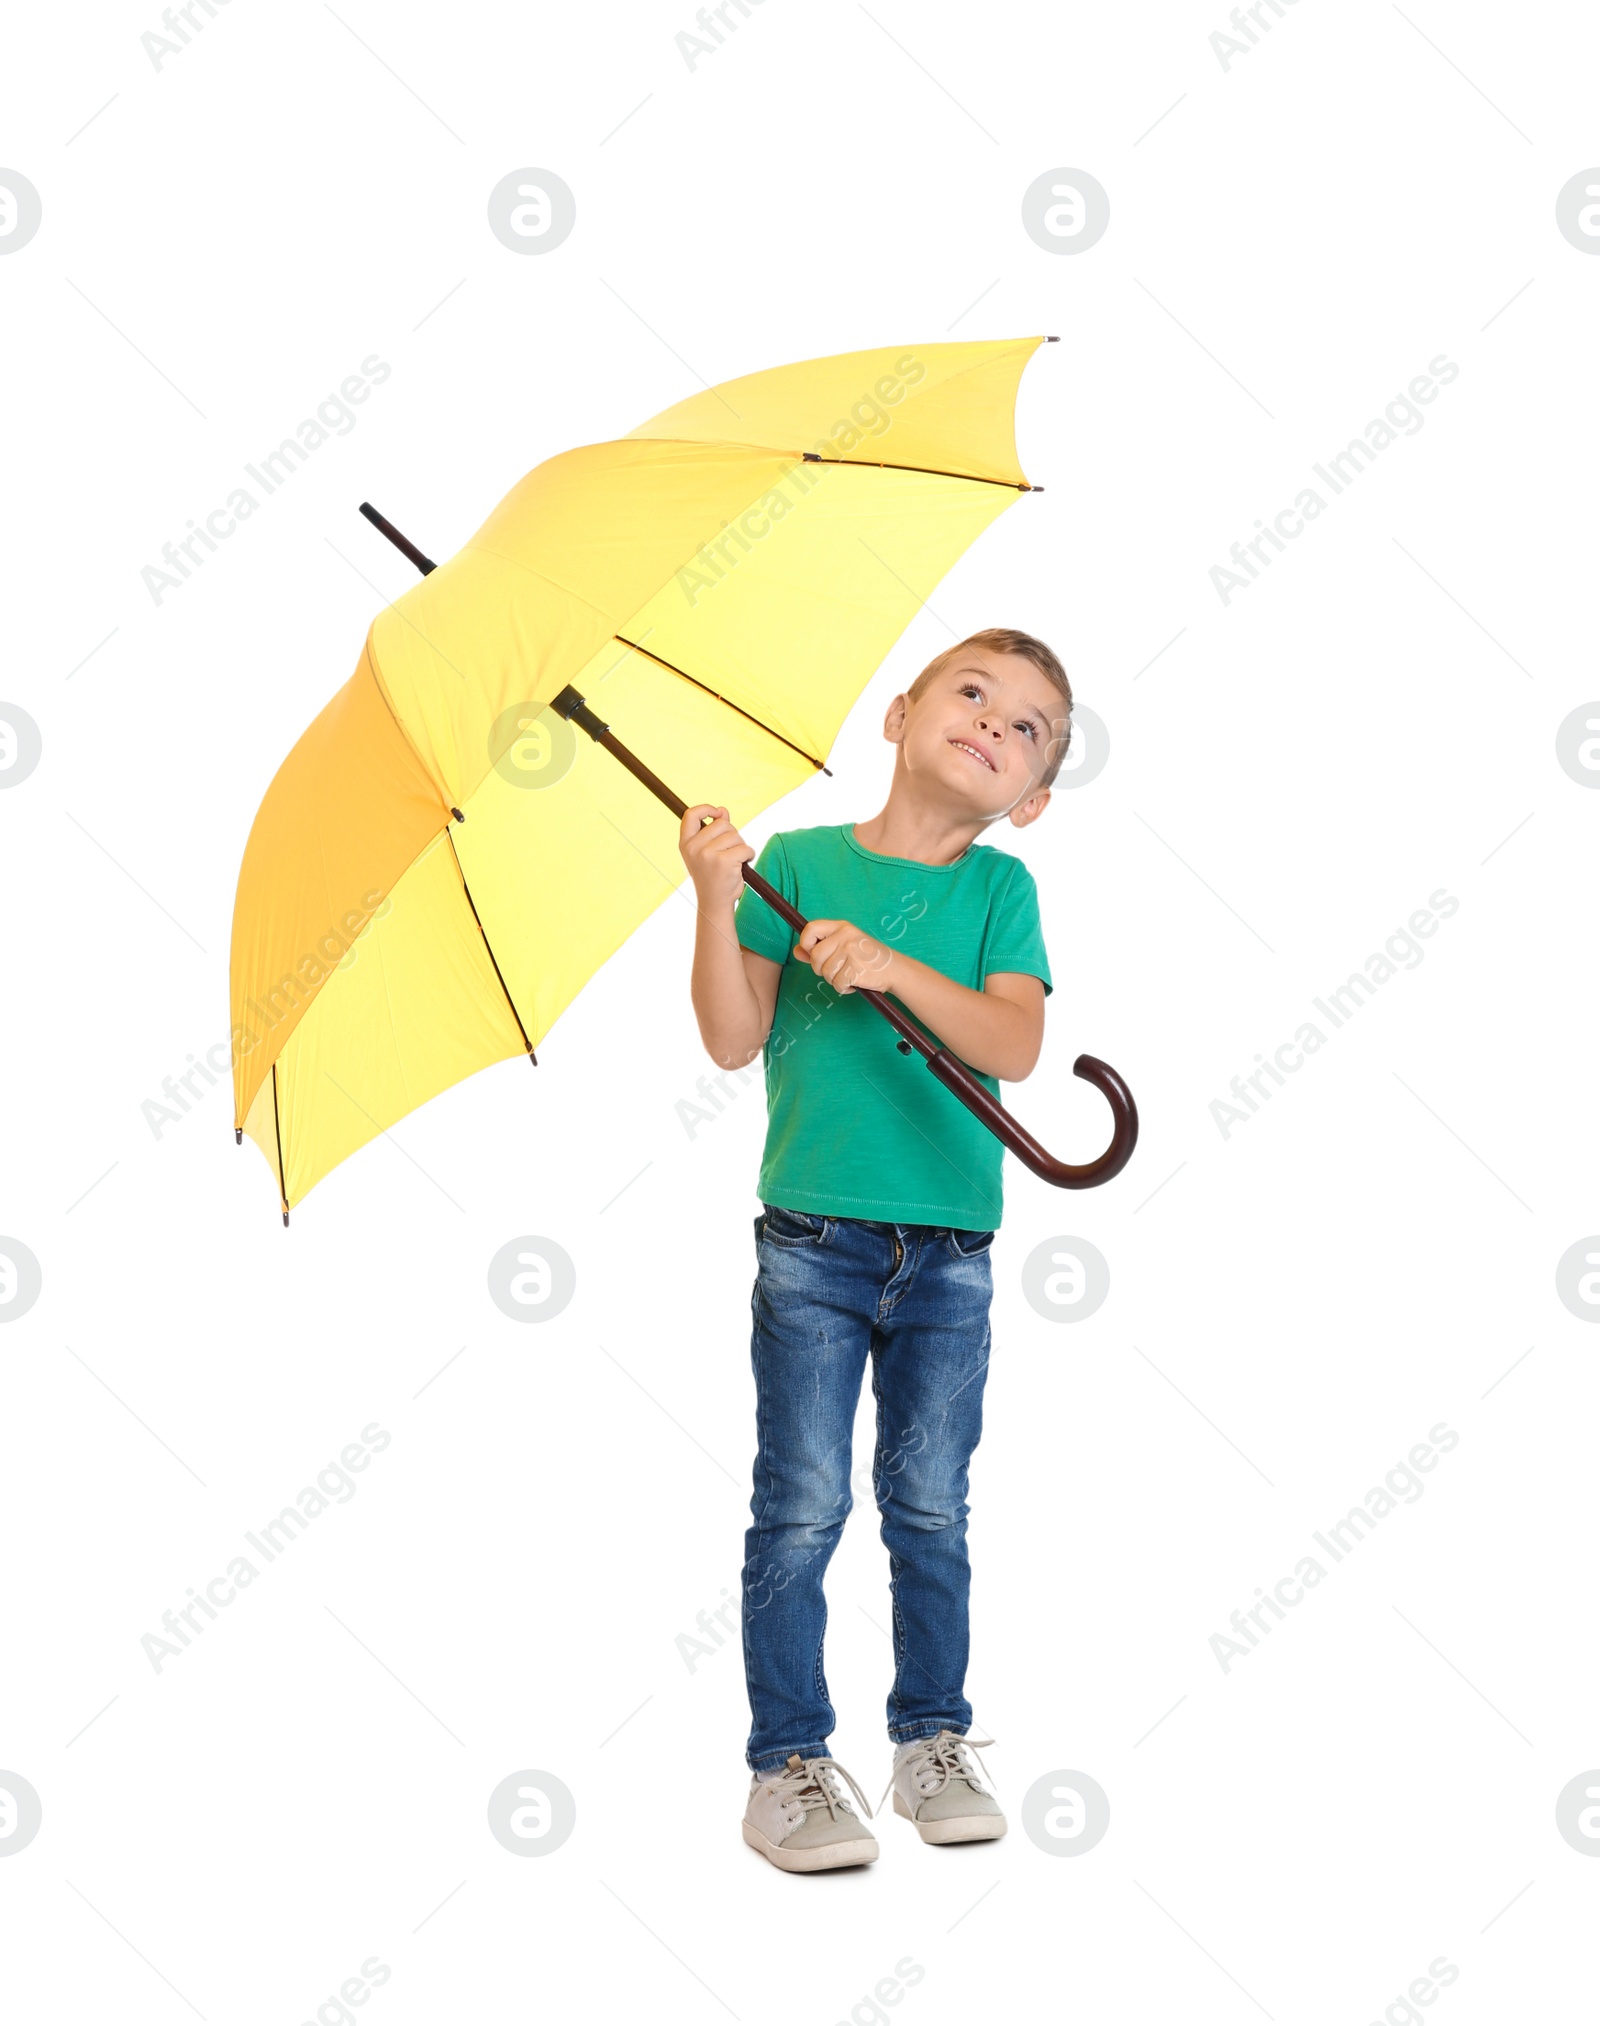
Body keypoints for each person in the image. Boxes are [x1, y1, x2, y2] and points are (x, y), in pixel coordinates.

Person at [677, 627, 1071, 1873]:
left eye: (1026, 729)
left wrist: (887, 962)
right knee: (798, 1504)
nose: (992, 724)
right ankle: (787, 1760)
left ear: (1035, 797)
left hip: (948, 1248)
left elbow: (1009, 1046)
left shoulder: (999, 892)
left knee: (930, 1503)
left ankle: (929, 1738)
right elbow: (733, 1039)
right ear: (898, 713)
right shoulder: (792, 863)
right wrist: (712, 892)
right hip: (813, 1236)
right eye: (972, 693)